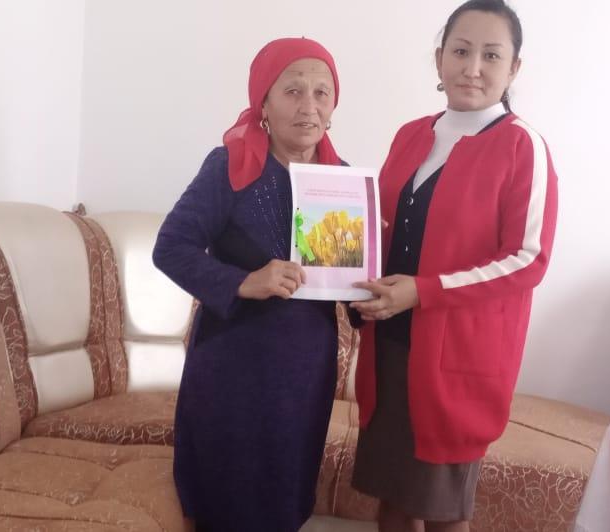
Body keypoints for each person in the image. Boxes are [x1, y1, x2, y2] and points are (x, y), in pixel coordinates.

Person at [349, 2, 559, 531]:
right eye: (461, 51)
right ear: (440, 58)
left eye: (491, 55)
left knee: (443, 513)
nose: (473, 68)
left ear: (514, 68)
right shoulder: (411, 134)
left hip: (457, 358)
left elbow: (527, 259)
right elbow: (384, 228)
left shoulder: (522, 146)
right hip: (390, 344)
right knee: (392, 503)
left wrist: (425, 290)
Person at [152, 37, 344, 532]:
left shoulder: (342, 182)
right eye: (293, 91)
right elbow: (170, 247)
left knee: (286, 499)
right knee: (228, 502)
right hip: (233, 368)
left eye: (321, 92)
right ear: (264, 102)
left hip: (306, 371)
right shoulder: (230, 167)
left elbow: (347, 286)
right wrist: (244, 282)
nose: (309, 106)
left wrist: (369, 284)